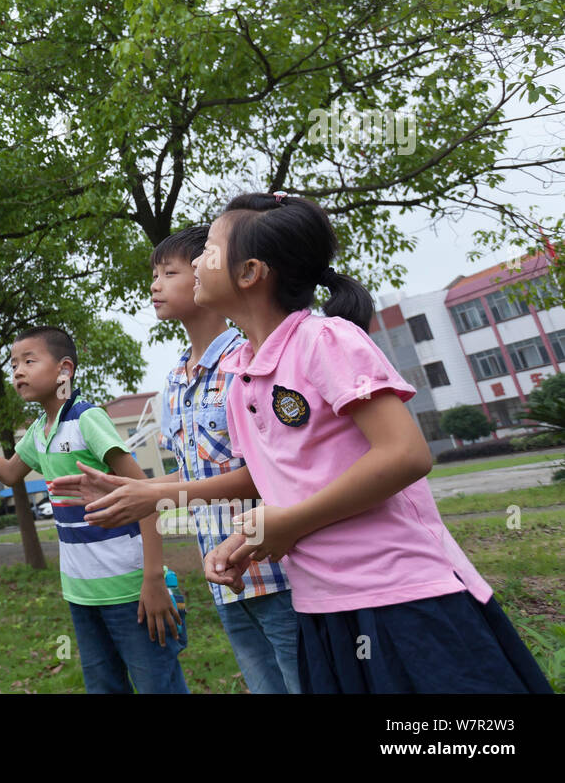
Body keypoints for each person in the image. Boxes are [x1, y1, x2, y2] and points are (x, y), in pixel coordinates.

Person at [192, 192, 552, 693]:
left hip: (403, 596)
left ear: (251, 272)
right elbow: (286, 486)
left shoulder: (325, 341)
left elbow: (405, 454)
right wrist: (248, 540)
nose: (194, 261)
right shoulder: (241, 380)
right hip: (321, 605)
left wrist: (289, 522)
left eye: (209, 249)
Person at [0, 326, 189, 694]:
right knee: (103, 686)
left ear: (64, 370)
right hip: (80, 593)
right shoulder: (39, 431)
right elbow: (9, 474)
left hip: (130, 591)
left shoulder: (87, 419)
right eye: (13, 364)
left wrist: (152, 579)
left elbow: (146, 496)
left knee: (157, 685)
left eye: (28, 360)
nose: (17, 371)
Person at [143, 226, 301, 692]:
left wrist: (160, 493)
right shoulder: (174, 379)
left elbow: (268, 471)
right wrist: (139, 491)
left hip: (276, 570)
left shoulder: (245, 360)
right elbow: (191, 469)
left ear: (205, 273)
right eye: (153, 274)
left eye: (168, 273)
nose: (154, 285)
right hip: (223, 577)